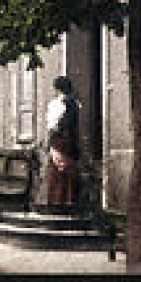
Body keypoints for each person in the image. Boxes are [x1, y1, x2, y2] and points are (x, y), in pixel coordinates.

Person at [43, 75, 80, 206]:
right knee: (68, 171)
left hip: (58, 140)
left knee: (57, 171)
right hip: (70, 140)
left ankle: (57, 202)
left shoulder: (56, 104)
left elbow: (51, 125)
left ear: (57, 89)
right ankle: (68, 200)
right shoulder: (75, 104)